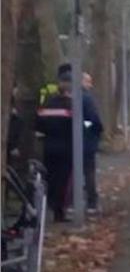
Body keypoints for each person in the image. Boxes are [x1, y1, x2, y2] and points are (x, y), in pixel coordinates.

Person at [36, 69, 74, 222]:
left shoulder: (47, 103)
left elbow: (38, 125)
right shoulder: (72, 105)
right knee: (64, 181)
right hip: (66, 148)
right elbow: (79, 126)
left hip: (49, 146)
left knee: (50, 178)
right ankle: (59, 211)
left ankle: (48, 206)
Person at [81, 72, 104, 214]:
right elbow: (92, 119)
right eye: (88, 82)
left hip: (72, 140)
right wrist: (93, 129)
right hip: (87, 141)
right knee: (89, 172)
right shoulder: (87, 99)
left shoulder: (72, 97)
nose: (90, 85)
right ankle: (91, 203)